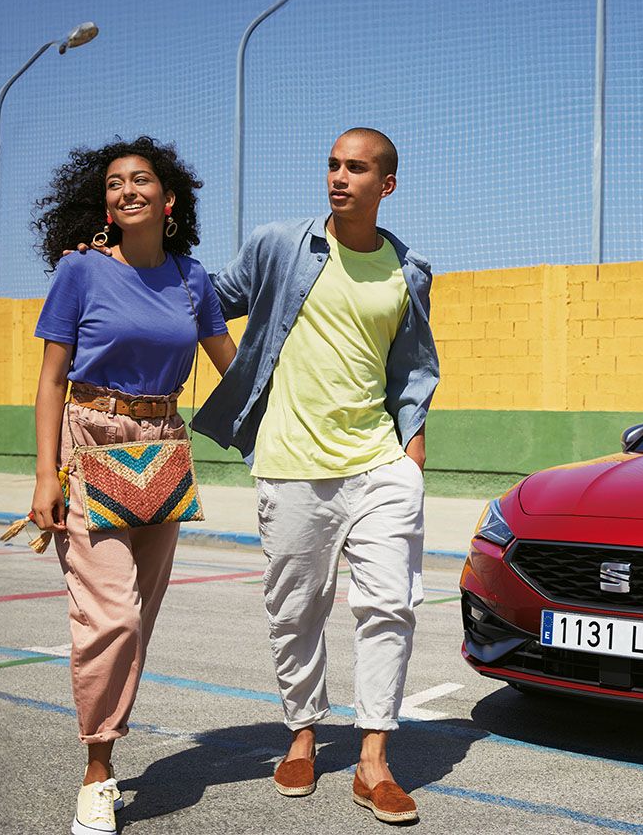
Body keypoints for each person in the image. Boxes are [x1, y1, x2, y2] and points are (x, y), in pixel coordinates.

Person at [191, 127, 439, 824]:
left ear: (385, 186)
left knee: (390, 606)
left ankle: (373, 761)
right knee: (296, 611)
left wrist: (411, 455)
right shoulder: (280, 245)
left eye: (356, 168)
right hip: (292, 464)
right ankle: (301, 735)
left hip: (379, 465)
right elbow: (204, 297)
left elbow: (415, 368)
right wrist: (117, 261)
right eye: (332, 164)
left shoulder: (409, 269)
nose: (338, 177)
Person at [31, 136, 236, 835]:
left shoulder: (191, 280)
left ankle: (107, 742)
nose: (127, 190)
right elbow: (51, 380)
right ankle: (96, 771)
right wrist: (42, 479)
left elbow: (231, 370)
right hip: (88, 441)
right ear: (107, 205)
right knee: (110, 615)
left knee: (137, 617)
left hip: (161, 448)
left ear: (168, 199)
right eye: (115, 183)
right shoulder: (81, 272)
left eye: (140, 180)